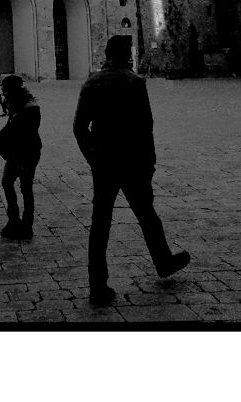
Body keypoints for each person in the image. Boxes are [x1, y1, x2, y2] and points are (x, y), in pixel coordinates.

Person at [73, 35, 191, 306]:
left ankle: (97, 285)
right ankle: (163, 260)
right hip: (132, 160)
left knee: (100, 223)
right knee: (146, 213)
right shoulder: (134, 82)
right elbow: (145, 126)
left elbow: (80, 128)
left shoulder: (91, 82)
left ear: (105, 53)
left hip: (103, 161)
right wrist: (149, 163)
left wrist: (93, 157)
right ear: (126, 55)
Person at [0, 76, 41, 239]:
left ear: (13, 90)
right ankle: (18, 222)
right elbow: (10, 126)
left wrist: (1, 142)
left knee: (20, 186)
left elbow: (18, 130)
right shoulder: (18, 104)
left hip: (25, 152)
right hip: (19, 151)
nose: (3, 93)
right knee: (18, 186)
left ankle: (23, 224)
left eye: (5, 90)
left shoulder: (29, 108)